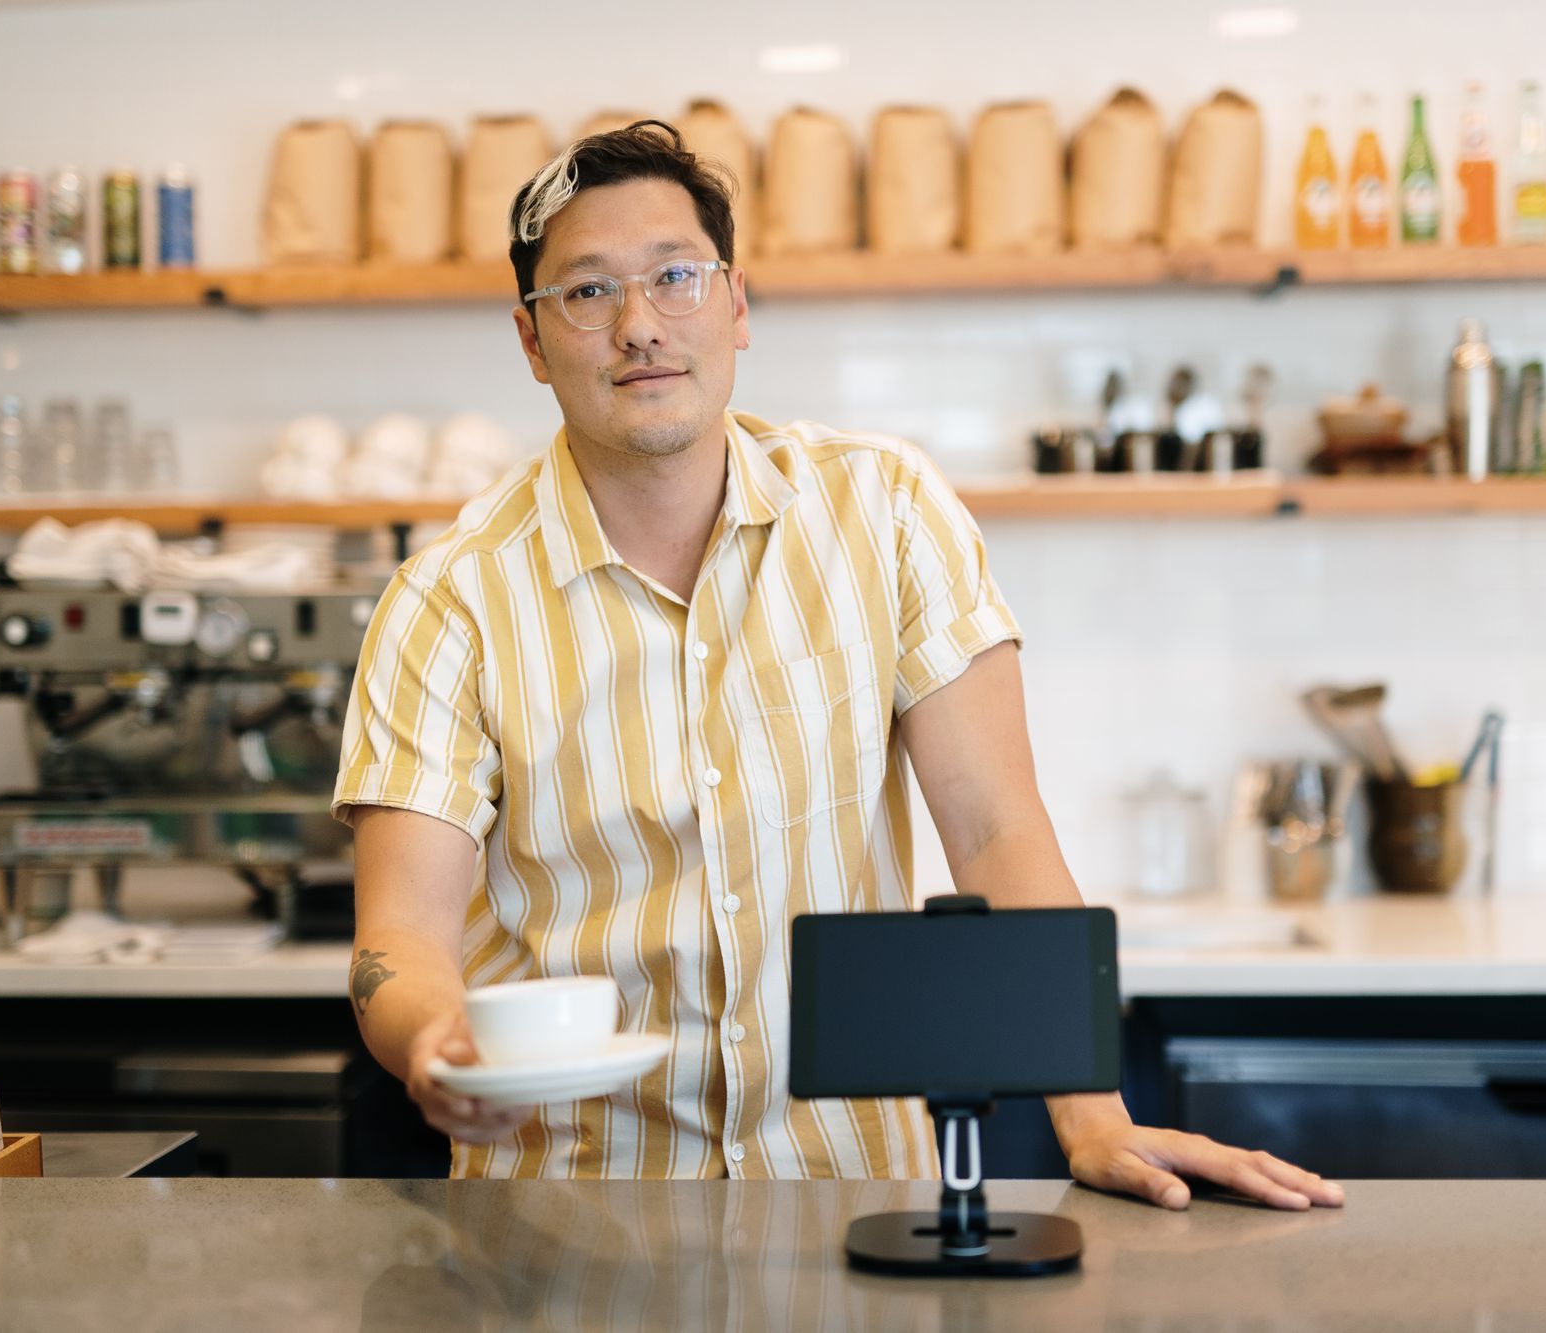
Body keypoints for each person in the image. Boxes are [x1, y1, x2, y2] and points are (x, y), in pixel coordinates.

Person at [334, 120, 1342, 1212]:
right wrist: (434, 1038)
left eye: (676, 276)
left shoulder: (884, 513)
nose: (639, 326)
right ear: (532, 342)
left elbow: (994, 825)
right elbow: (399, 933)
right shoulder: (447, 601)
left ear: (735, 305)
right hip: (566, 1215)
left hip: (850, 1203)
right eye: (586, 293)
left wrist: (1088, 1115)